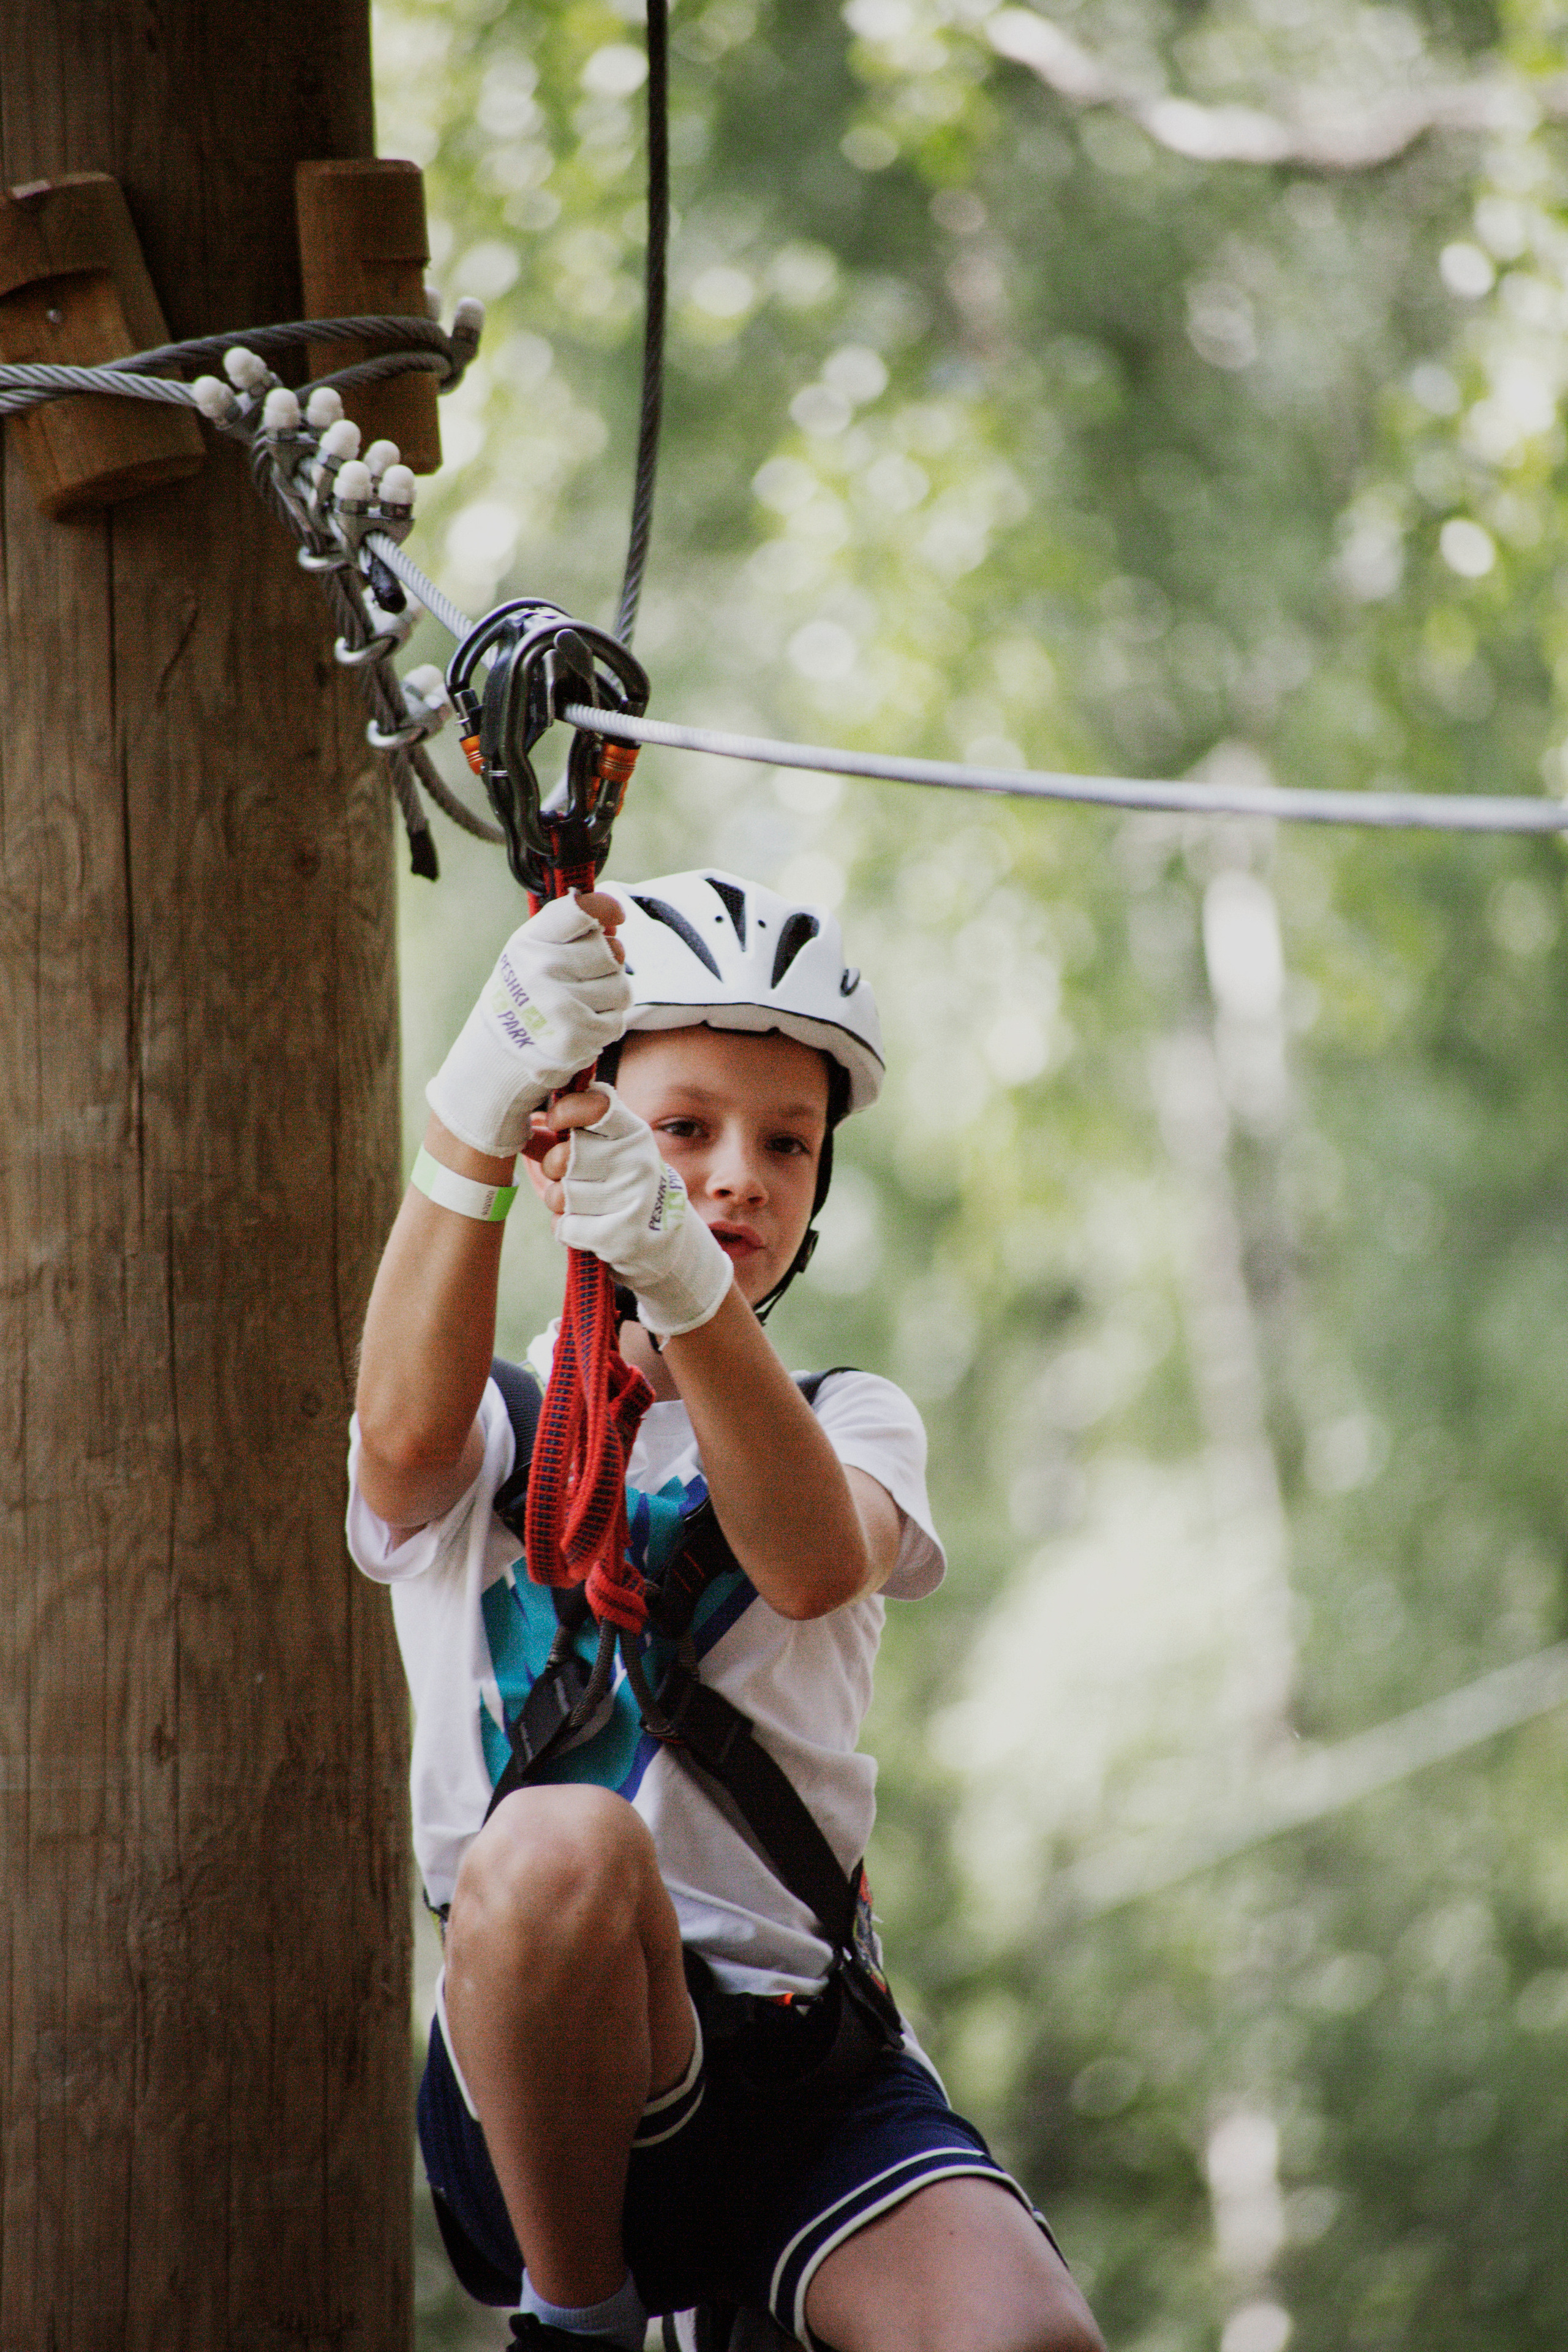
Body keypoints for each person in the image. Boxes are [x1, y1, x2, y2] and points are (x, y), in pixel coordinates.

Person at [349, 869, 1105, 2352]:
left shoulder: (851, 1421)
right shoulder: (501, 1430)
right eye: (684, 1130)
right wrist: (473, 1110)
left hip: (787, 2053)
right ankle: (578, 2326)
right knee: (565, 1838)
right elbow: (396, 1447)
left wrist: (679, 1282)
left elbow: (810, 1558)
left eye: (786, 1145)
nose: (740, 1174)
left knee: (1027, 2341)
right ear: (580, 1147)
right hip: (546, 2089)